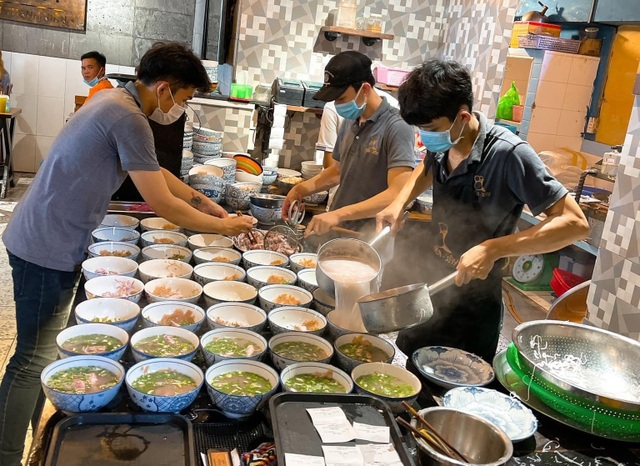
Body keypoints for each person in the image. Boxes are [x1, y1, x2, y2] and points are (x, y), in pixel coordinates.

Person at [0, 42, 253, 465]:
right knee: (32, 360)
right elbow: (161, 203)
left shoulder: (116, 102)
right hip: (46, 244)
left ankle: (33, 446)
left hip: (45, 235)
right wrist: (223, 227)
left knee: (35, 355)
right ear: (167, 88)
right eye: (186, 98)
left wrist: (202, 199)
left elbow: (156, 171)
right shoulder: (128, 115)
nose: (180, 108)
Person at [376, 59, 590, 364]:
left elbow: (575, 223)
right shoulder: (445, 140)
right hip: (432, 287)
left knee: (458, 385)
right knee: (412, 370)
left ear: (462, 116)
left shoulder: (510, 155)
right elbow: (426, 167)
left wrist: (493, 249)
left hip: (474, 304)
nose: (426, 139)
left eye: (431, 129)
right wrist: (398, 204)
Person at [283, 51, 415, 238]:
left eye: (341, 98)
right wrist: (299, 190)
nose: (337, 105)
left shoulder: (398, 126)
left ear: (365, 89)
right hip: (339, 232)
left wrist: (337, 214)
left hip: (370, 239)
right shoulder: (351, 120)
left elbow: (398, 193)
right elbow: (338, 171)